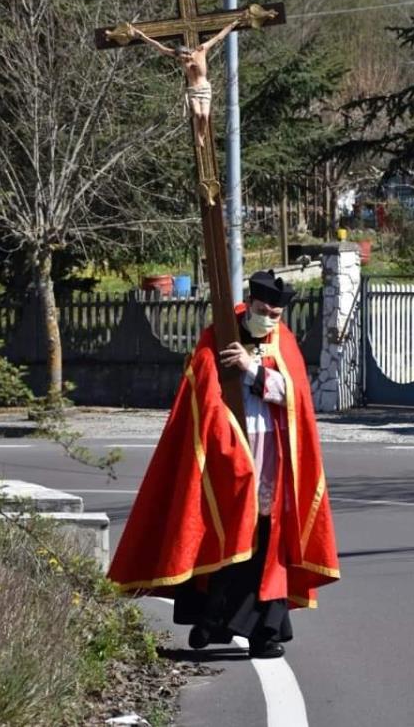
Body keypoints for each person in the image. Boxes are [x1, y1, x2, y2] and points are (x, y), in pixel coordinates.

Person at [107, 269, 340, 659]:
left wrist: (252, 370)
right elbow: (199, 388)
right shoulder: (216, 335)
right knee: (225, 532)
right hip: (223, 451)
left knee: (266, 541)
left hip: (270, 454)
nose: (269, 317)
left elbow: (297, 396)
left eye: (276, 313)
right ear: (249, 304)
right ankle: (210, 619)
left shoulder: (284, 342)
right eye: (264, 309)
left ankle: (265, 632)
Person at [125, 19, 240, 147]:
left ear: (186, 53)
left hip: (204, 89)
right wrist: (141, 36)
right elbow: (159, 47)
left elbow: (218, 37)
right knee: (197, 113)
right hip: (193, 90)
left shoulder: (201, 50)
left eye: (182, 58)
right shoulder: (179, 57)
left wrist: (233, 24)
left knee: (205, 116)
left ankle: (201, 135)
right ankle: (198, 136)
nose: (181, 61)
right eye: (179, 59)